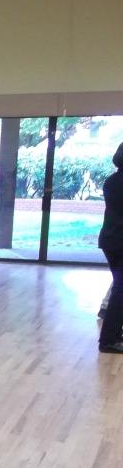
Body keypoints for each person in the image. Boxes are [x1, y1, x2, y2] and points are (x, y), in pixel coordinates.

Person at [98, 142, 123, 353]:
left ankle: (114, 334)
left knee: (120, 288)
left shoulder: (112, 180)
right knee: (120, 290)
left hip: (110, 240)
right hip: (119, 241)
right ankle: (108, 340)